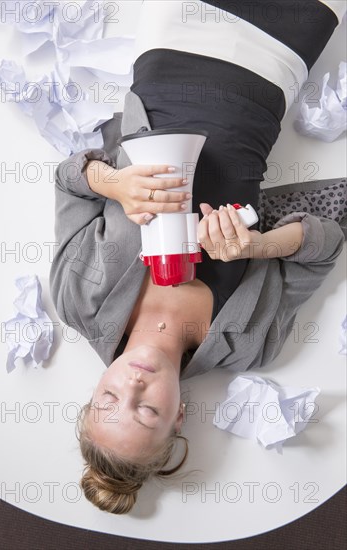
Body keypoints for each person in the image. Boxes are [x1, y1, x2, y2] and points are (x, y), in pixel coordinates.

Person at [49, 0, 346, 514]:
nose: (134, 388)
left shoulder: (77, 299)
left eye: (110, 401)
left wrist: (116, 184)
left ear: (95, 390)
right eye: (145, 413)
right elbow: (324, 248)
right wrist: (258, 245)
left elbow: (68, 182)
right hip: (266, 76)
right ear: (179, 416)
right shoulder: (248, 344)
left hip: (173, 49)